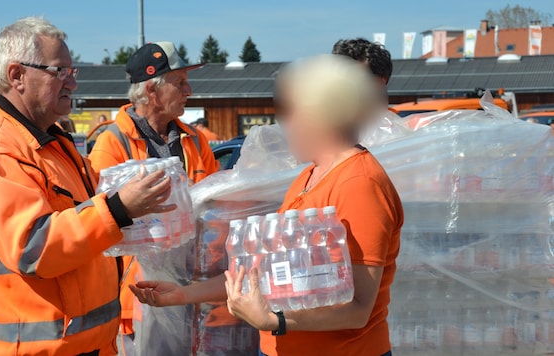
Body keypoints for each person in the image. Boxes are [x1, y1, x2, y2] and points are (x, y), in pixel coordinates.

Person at [132, 55, 402, 355]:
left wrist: (276, 321)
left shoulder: (359, 184)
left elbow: (358, 308)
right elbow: (261, 272)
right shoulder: (308, 177)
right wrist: (183, 294)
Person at [0, 17, 175, 356]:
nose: (72, 82)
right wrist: (118, 208)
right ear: (16, 76)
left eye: (73, 71)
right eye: (60, 72)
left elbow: (79, 225)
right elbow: (33, 248)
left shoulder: (47, 143)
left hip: (78, 345)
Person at [88, 42, 219, 355]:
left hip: (190, 292)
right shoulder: (112, 143)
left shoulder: (194, 139)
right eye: (180, 83)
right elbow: (98, 223)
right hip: (138, 297)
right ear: (152, 90)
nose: (189, 90)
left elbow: (214, 205)